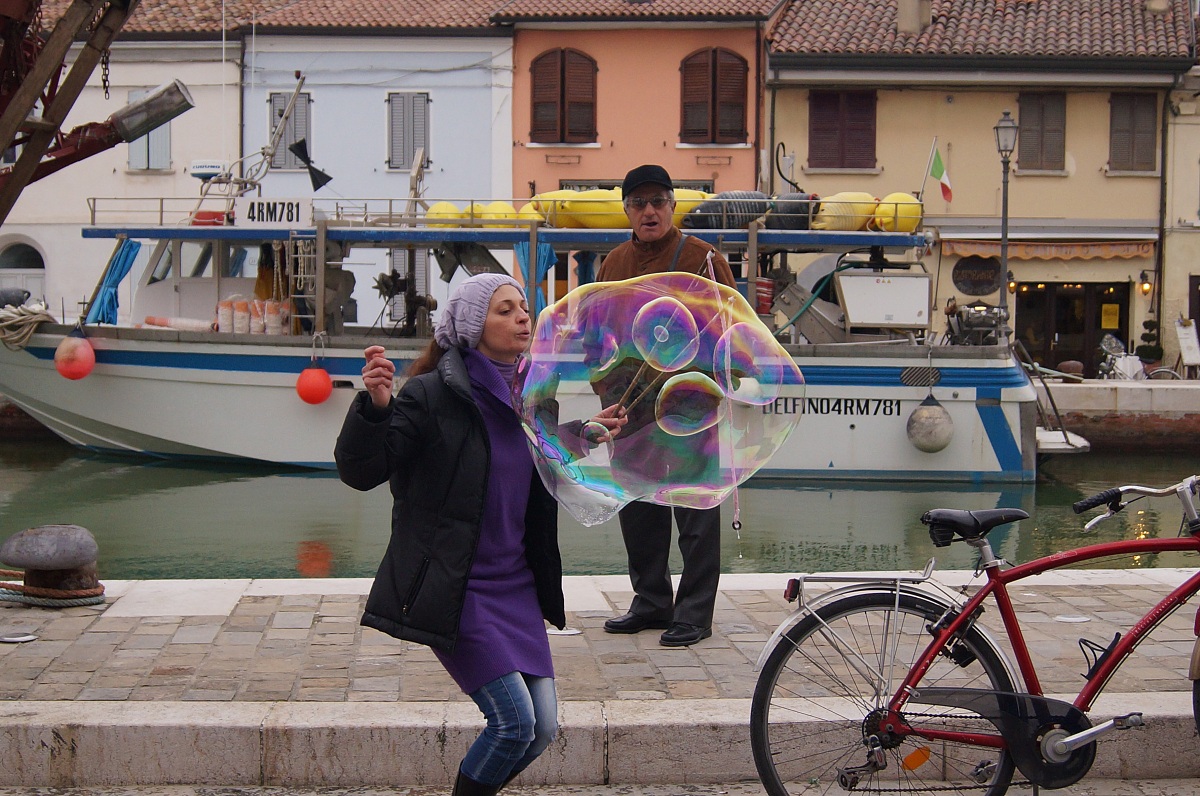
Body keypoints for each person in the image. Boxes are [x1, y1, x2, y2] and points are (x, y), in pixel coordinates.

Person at [335, 273, 622, 796]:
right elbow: (362, 469)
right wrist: (377, 406)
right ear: (472, 327)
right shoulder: (429, 395)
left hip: (514, 586)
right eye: (505, 310)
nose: (521, 317)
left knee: (543, 730)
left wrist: (586, 433)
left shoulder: (529, 397)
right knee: (513, 725)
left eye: (523, 308)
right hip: (460, 587)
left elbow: (540, 454)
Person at [596, 164, 738, 648]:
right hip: (629, 408)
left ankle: (695, 613)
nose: (649, 211)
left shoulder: (701, 258)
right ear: (627, 210)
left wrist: (719, 385)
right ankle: (651, 601)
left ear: (673, 206)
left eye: (658, 201)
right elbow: (600, 336)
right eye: (639, 203)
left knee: (695, 511)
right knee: (638, 509)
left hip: (690, 403)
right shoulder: (612, 262)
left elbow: (734, 326)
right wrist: (607, 398)